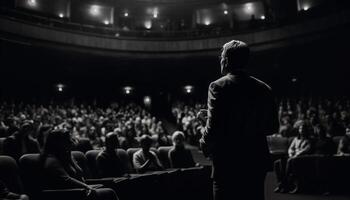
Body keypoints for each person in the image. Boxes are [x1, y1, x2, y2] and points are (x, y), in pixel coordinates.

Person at [199, 40, 278, 200]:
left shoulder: (217, 86)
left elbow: (214, 127)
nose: (220, 60)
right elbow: (272, 126)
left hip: (228, 161)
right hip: (255, 159)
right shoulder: (264, 88)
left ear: (226, 60)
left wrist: (203, 140)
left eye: (221, 57)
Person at [41, 129, 118, 200]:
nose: (71, 141)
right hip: (71, 193)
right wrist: (86, 186)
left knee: (104, 187)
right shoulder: (51, 159)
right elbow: (66, 180)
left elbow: (79, 174)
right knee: (109, 192)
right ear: (58, 143)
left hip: (80, 189)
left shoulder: (66, 156)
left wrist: (69, 155)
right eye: (67, 139)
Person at [274, 123, 312, 193]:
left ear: (306, 130)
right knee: (277, 162)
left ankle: (286, 185)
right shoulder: (296, 139)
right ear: (299, 130)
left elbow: (306, 149)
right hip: (292, 156)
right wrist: (291, 153)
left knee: (290, 161)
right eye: (300, 128)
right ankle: (281, 184)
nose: (302, 130)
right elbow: (290, 148)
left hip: (301, 157)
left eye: (303, 129)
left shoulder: (309, 140)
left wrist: (296, 155)